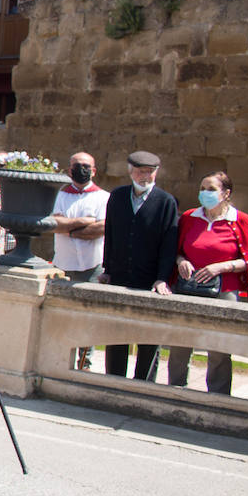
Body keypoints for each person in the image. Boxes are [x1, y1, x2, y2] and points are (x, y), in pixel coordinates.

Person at [171, 172, 248, 394]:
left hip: (224, 290)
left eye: (210, 189)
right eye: (202, 188)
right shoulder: (191, 217)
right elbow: (176, 250)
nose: (204, 193)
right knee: (180, 342)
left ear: (226, 193)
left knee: (219, 346)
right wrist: (182, 262)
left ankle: (218, 396)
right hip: (188, 288)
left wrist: (221, 266)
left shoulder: (241, 220)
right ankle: (175, 390)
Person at [100, 151, 178, 381]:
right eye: (140, 171)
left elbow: (169, 244)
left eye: (150, 172)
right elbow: (111, 234)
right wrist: (107, 270)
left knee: (148, 339)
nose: (145, 176)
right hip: (120, 276)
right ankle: (114, 381)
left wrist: (162, 277)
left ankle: (144, 385)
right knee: (116, 336)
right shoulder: (118, 196)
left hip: (149, 279)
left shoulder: (166, 202)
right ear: (130, 170)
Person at [51, 152, 108, 370]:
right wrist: (83, 222)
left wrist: (71, 229)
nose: (81, 169)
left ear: (93, 171)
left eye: (86, 166)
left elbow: (101, 227)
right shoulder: (60, 195)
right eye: (77, 165)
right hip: (63, 262)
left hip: (91, 263)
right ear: (69, 169)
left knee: (87, 316)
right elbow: (54, 224)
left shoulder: (103, 197)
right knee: (60, 313)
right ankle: (57, 360)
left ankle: (84, 363)